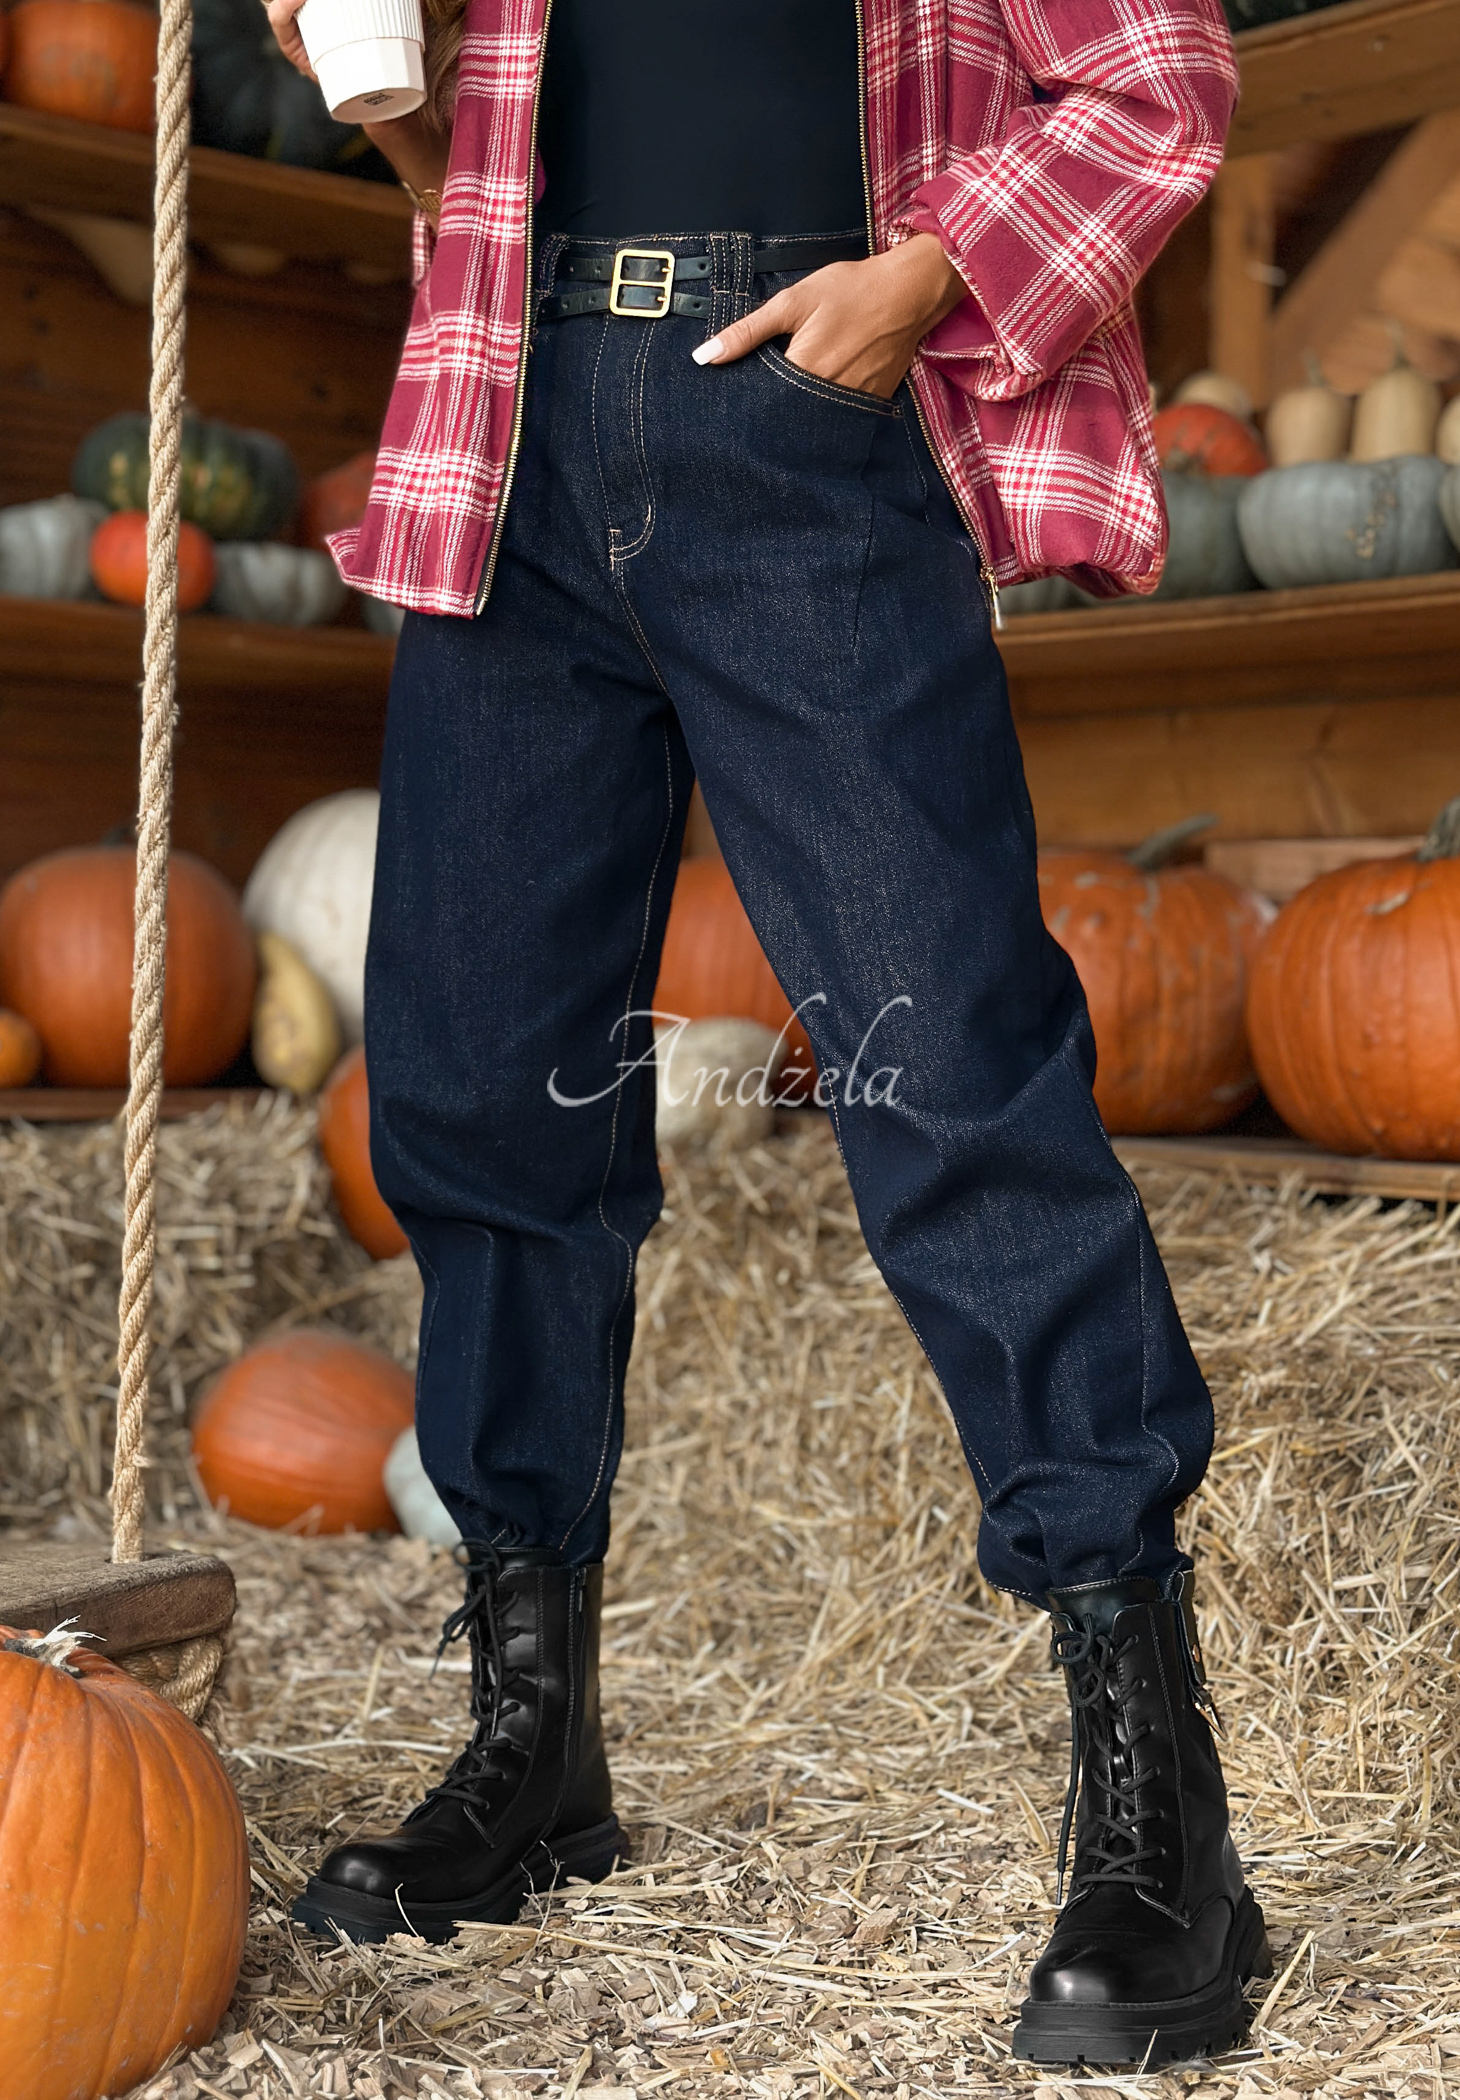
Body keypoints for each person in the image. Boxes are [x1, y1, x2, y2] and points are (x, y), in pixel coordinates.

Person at [266, 0, 1272, 2064]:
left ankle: (1163, 1811)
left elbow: (1159, 76)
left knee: (953, 1071)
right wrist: (372, 83)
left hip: (799, 410)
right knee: (482, 1096)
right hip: (511, 421)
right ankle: (534, 1746)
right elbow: (457, 149)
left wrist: (931, 279)